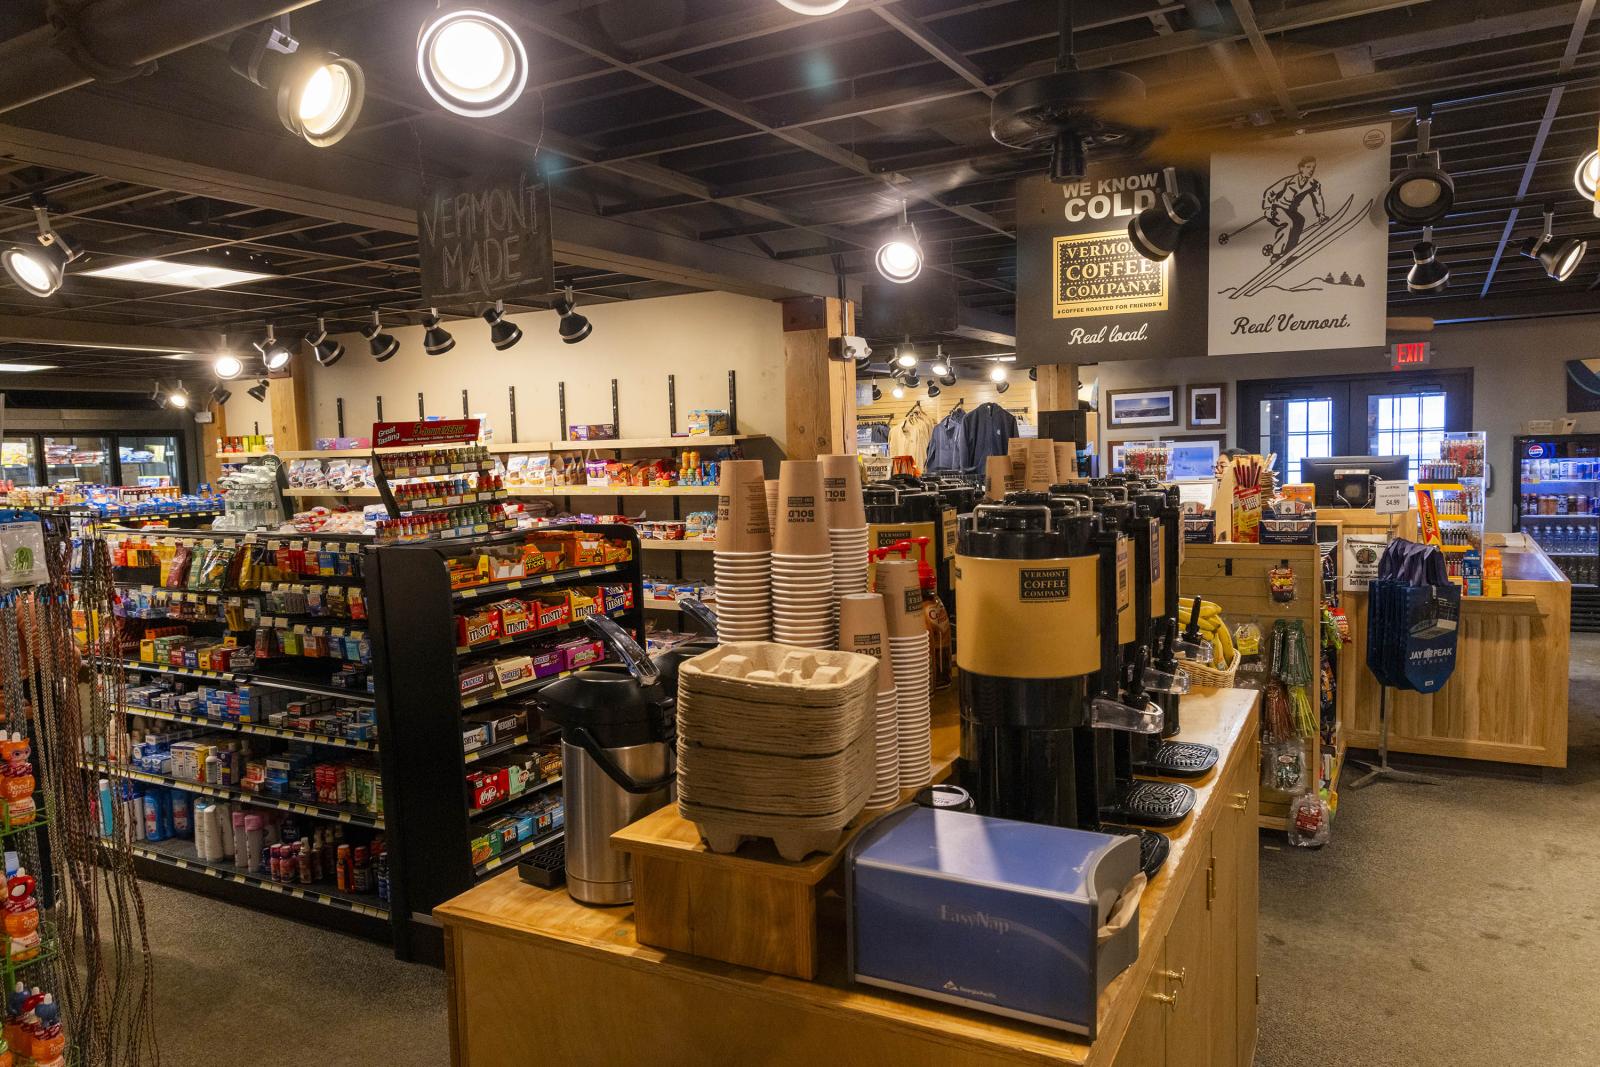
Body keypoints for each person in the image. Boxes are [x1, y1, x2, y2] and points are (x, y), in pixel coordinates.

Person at [1261, 156, 1328, 261]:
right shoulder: (1290, 180)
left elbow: (1317, 199)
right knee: (1289, 223)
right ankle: (1276, 254)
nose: (1311, 170)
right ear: (1301, 168)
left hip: (1291, 211)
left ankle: (1288, 253)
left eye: (1313, 167)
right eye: (1308, 167)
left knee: (1300, 220)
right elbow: (1270, 192)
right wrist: (1267, 209)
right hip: (1277, 208)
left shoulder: (1314, 184)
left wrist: (1321, 214)